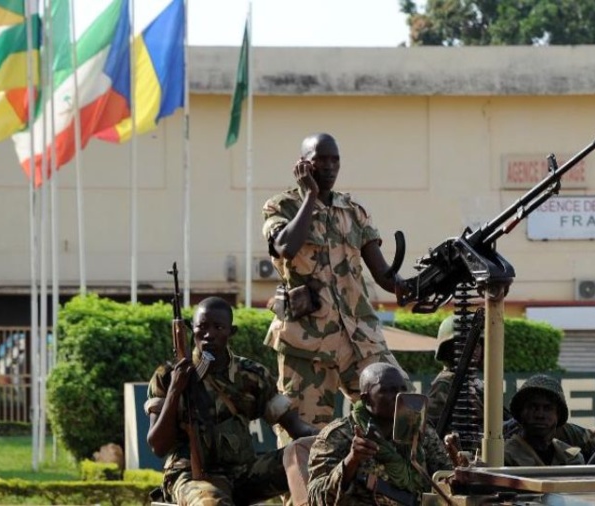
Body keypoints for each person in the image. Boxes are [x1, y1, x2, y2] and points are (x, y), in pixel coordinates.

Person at [261, 132, 409, 433]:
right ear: (303, 165)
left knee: (404, 409)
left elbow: (384, 274)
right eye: (320, 160)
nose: (329, 166)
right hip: (307, 343)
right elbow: (286, 247)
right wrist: (310, 196)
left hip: (360, 338)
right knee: (306, 436)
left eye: (335, 160)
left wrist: (419, 284)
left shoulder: (353, 212)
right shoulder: (282, 207)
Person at [144, 296, 319, 506]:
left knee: (308, 453)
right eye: (202, 327)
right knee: (212, 503)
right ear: (192, 329)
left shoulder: (252, 375)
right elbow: (158, 447)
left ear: (231, 332)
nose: (209, 335)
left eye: (218, 327)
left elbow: (296, 427)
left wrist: (329, 439)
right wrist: (175, 389)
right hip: (193, 477)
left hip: (245, 474)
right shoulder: (168, 376)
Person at [428, 315, 595, 464]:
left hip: (500, 441)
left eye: (477, 344)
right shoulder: (447, 384)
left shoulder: (472, 383)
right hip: (483, 452)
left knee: (556, 427)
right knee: (554, 427)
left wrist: (508, 424)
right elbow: (439, 435)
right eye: (463, 345)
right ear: (448, 349)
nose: (474, 351)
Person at [307, 363, 453, 506]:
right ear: (366, 399)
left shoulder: (420, 431)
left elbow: (446, 481)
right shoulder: (339, 435)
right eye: (389, 390)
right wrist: (351, 460)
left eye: (403, 389)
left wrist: (458, 469)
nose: (398, 396)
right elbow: (316, 498)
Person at [505, 374, 585, 466]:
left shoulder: (571, 457)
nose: (540, 415)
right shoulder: (504, 457)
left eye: (547, 408)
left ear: (558, 415)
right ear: (521, 412)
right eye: (533, 407)